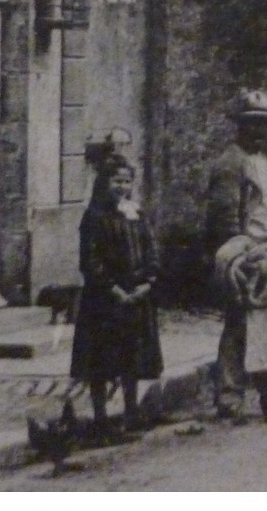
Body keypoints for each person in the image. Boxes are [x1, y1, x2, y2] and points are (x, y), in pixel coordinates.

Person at [206, 89, 267, 423]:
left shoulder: (263, 161)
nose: (259, 131)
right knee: (241, 327)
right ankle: (230, 397)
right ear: (240, 126)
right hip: (251, 259)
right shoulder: (231, 163)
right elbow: (225, 217)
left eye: (264, 125)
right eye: (252, 124)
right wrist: (238, 256)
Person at [70, 153, 163, 440]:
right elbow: (90, 261)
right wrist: (114, 290)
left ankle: (131, 413)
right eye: (116, 181)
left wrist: (147, 282)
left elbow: (151, 252)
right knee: (101, 360)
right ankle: (100, 419)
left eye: (126, 181)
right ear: (104, 182)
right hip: (105, 300)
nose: (122, 187)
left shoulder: (137, 215)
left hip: (136, 297)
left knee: (130, 358)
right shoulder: (94, 217)